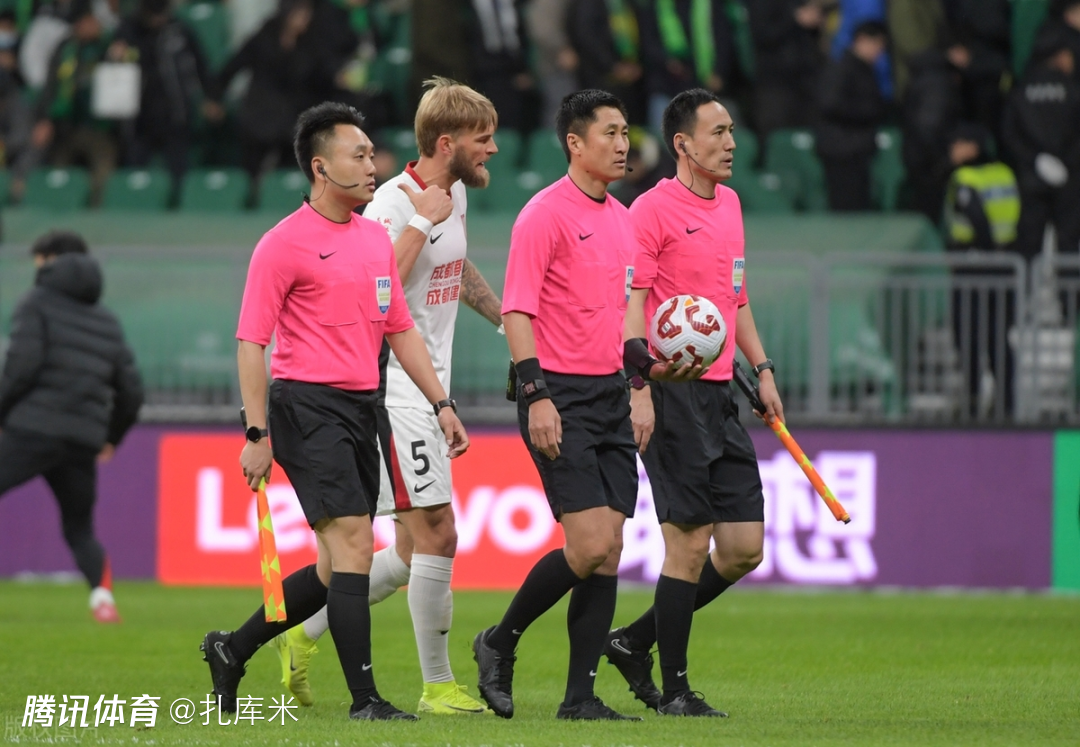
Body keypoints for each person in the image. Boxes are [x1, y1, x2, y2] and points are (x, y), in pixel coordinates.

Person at [199, 101, 469, 722]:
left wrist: (442, 403)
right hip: (306, 407)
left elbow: (400, 328)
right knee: (355, 545)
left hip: (364, 407)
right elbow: (251, 343)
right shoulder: (282, 244)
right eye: (359, 155)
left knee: (332, 566)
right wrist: (256, 433)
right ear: (321, 168)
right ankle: (366, 700)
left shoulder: (374, 238)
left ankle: (231, 648)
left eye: (372, 154)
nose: (373, 165)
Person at [269, 78, 503, 717]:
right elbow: (379, 287)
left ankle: (303, 633)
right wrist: (423, 221)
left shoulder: (451, 196)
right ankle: (437, 686)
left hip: (429, 387)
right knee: (438, 534)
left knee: (406, 551)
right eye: (484, 139)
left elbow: (454, 268)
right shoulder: (393, 204)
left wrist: (505, 320)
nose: (493, 150)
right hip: (394, 390)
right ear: (448, 143)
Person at [471, 89, 697, 721]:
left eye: (626, 133)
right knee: (590, 543)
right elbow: (517, 311)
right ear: (575, 142)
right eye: (610, 133)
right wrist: (536, 393)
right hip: (557, 392)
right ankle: (500, 640)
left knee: (611, 548)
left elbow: (625, 320)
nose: (624, 145)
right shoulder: (543, 215)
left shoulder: (623, 220)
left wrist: (644, 378)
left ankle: (579, 698)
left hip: (608, 392)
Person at [603, 88, 783, 717]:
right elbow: (630, 305)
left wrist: (762, 368)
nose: (731, 143)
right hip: (670, 391)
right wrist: (639, 387)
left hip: (722, 393)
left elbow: (736, 297)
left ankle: (632, 641)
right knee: (688, 543)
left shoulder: (730, 204)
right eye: (718, 132)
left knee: (742, 549)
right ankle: (676, 691)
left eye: (732, 131)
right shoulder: (649, 211)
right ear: (683, 144)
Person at [0, 231, 143, 624]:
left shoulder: (36, 303)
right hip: (82, 440)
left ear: (50, 261)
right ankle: (103, 600)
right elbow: (132, 392)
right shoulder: (107, 321)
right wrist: (111, 437)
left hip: (32, 429)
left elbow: (21, 367)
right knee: (80, 529)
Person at [942, 122, 1020, 417]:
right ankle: (1006, 399)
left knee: (968, 334)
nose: (952, 148)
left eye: (958, 143)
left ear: (972, 147)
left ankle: (973, 398)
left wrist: (982, 251)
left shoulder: (964, 177)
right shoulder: (1005, 173)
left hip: (973, 264)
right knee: (999, 335)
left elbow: (976, 217)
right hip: (1004, 263)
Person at [110, 0, 217, 205]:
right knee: (135, 171)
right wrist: (115, 55)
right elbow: (108, 66)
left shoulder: (180, 30)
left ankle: (180, 208)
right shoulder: (128, 30)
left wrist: (210, 97)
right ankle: (135, 209)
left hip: (175, 113)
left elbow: (201, 64)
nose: (159, 18)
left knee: (179, 170)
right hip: (139, 118)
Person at [1003, 27, 1080, 258]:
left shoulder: (1021, 89)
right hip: (1070, 179)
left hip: (1031, 178)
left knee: (1029, 245)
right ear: (1059, 56)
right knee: (1069, 244)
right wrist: (1066, 162)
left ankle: (1027, 283)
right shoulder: (1072, 89)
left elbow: (1009, 133)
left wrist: (1036, 159)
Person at [31, 1, 116, 206]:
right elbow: (51, 86)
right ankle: (56, 210)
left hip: (99, 126)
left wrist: (116, 58)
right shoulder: (65, 48)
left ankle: (97, 212)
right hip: (66, 125)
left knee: (103, 174)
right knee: (58, 173)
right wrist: (44, 119)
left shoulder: (107, 47)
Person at [815, 20, 888, 212]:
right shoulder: (841, 68)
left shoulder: (864, 69)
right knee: (846, 208)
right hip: (842, 150)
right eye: (877, 44)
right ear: (862, 40)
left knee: (859, 205)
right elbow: (829, 104)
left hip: (856, 148)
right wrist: (866, 112)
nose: (879, 51)